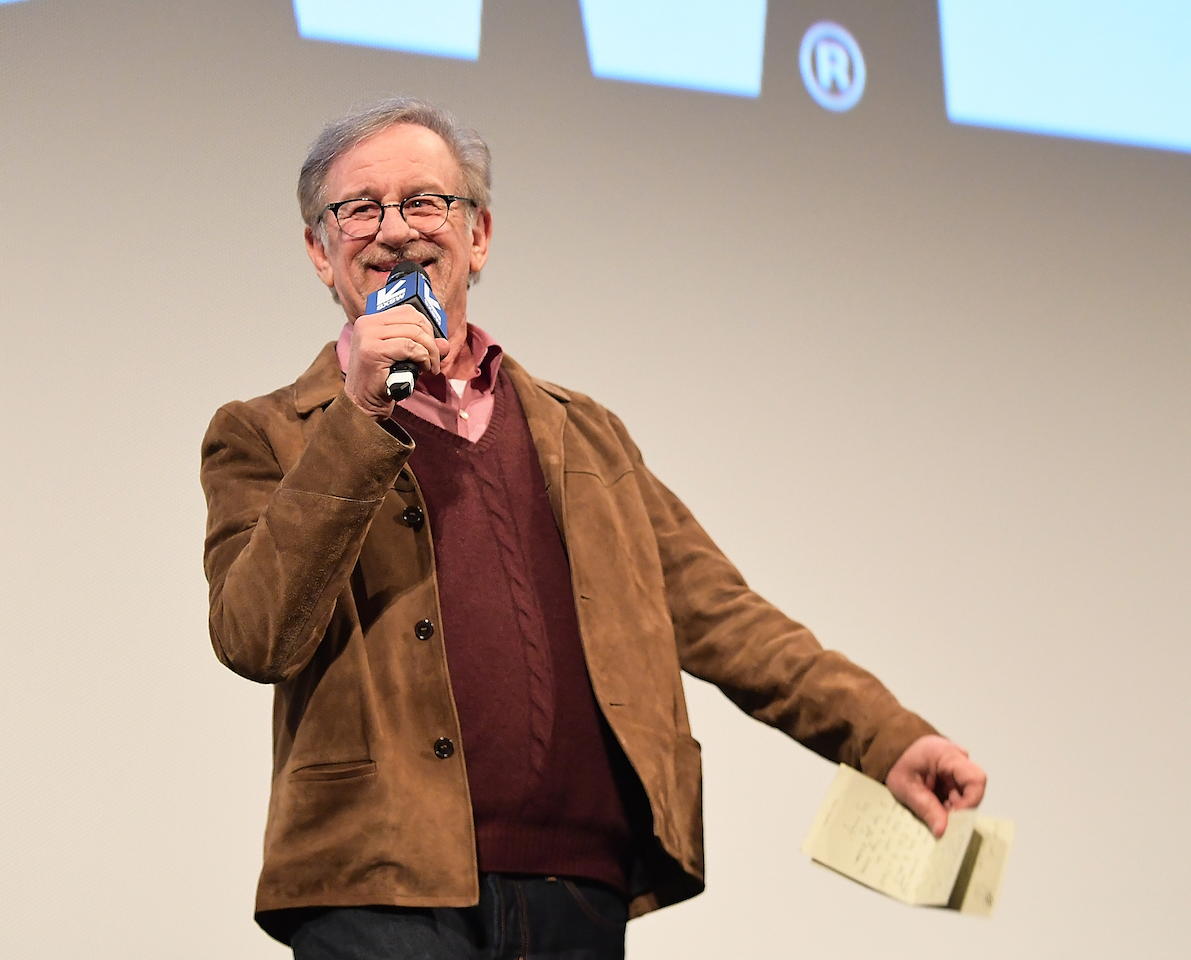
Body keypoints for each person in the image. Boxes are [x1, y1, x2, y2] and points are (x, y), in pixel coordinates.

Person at [200, 97, 987, 959]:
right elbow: (254, 636)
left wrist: (886, 736)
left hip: (577, 890)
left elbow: (725, 616)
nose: (395, 230)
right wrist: (358, 415)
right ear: (321, 249)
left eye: (425, 201)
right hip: (377, 890)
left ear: (478, 234)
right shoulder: (266, 433)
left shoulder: (583, 436)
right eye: (360, 209)